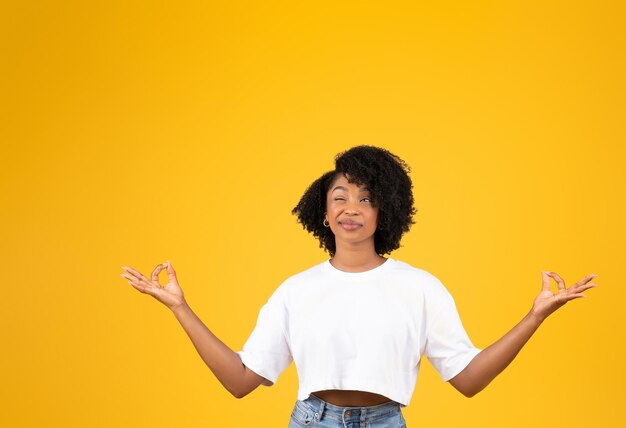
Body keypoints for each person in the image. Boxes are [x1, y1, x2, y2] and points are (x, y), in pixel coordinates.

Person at [120, 145, 598, 427]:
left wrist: (535, 316)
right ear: (324, 212)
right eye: (340, 196)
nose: (352, 206)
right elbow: (240, 382)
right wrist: (180, 308)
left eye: (366, 198)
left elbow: (469, 381)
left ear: (383, 210)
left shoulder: (421, 288)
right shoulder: (296, 290)